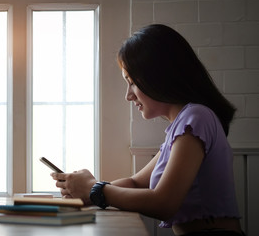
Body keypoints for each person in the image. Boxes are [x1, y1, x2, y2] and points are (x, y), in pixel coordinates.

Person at [51, 24, 244, 236]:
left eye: (132, 82)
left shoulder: (196, 118)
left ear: (159, 76)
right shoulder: (181, 127)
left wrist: (95, 189)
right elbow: (135, 183)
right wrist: (87, 193)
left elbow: (164, 203)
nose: (128, 95)